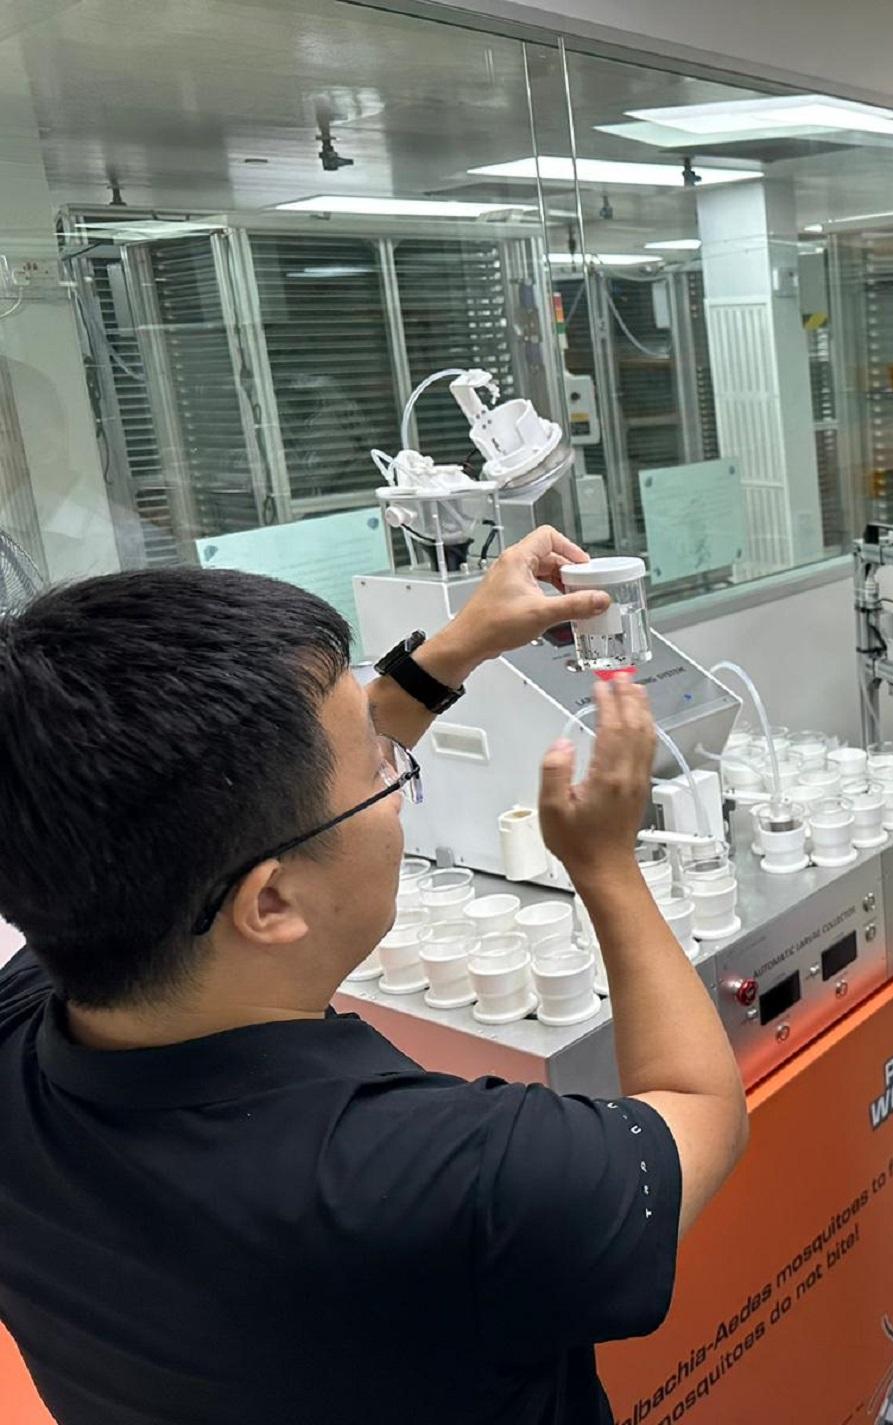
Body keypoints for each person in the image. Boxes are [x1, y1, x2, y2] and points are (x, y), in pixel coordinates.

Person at [0, 528, 749, 1425]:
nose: (396, 785)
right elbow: (698, 1107)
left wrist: (456, 648)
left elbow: (223, 803)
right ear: (270, 904)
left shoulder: (46, 995)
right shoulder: (451, 1177)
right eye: (384, 774)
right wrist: (608, 868)